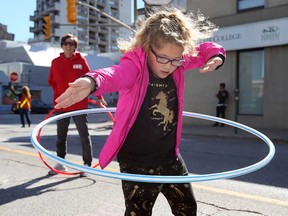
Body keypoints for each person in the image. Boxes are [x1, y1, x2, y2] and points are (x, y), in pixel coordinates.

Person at [54, 7, 226, 216]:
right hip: (137, 162)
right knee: (139, 212)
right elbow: (114, 74)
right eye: (163, 58)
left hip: (170, 157)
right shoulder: (135, 65)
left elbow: (207, 48)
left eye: (176, 60)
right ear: (147, 47)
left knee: (187, 208)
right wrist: (91, 81)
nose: (169, 66)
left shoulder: (178, 61)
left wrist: (216, 56)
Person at [48, 33, 107, 177]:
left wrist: (99, 97)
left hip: (79, 105)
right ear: (62, 45)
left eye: (72, 44)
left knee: (84, 136)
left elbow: (91, 79)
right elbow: (52, 82)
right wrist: (57, 98)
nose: (68, 46)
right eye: (66, 43)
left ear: (75, 47)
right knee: (61, 136)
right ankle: (60, 162)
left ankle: (87, 165)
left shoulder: (81, 60)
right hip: (62, 105)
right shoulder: (55, 62)